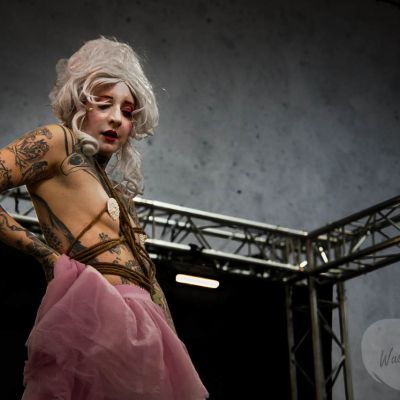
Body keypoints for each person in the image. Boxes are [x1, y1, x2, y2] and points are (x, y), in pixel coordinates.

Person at [0, 36, 209, 400]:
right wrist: (45, 255)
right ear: (80, 103)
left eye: (127, 112)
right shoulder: (58, 142)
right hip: (96, 311)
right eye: (104, 103)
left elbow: (148, 276)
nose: (116, 118)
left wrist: (172, 347)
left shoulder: (117, 192)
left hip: (145, 325)